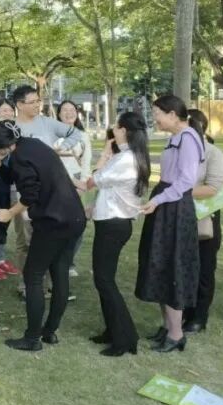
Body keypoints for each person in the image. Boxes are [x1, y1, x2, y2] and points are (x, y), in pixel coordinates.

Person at [0, 122, 86, 352]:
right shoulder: (33, 145)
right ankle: (49, 331)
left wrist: (10, 213)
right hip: (73, 217)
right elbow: (17, 176)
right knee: (60, 273)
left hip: (53, 221)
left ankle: (32, 338)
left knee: (33, 276)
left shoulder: (19, 157)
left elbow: (30, 194)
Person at [136, 95, 202, 353]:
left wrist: (158, 200)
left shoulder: (188, 139)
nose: (155, 119)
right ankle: (167, 327)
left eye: (158, 114)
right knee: (160, 264)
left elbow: (186, 181)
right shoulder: (176, 138)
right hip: (165, 205)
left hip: (174, 208)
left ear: (173, 114)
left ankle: (176, 334)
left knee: (173, 265)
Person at [86, 112, 149, 356]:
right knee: (103, 279)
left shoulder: (125, 159)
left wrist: (103, 154)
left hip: (114, 224)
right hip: (111, 222)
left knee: (104, 280)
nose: (112, 128)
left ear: (124, 131)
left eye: (116, 125)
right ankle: (113, 330)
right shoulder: (126, 156)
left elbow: (95, 179)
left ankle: (125, 338)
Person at [11, 86, 82, 297]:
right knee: (26, 240)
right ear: (19, 104)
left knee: (50, 238)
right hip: (22, 190)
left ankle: (52, 284)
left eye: (38, 101)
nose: (36, 105)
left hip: (50, 192)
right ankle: (27, 285)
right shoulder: (12, 127)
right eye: (32, 102)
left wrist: (59, 149)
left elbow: (75, 133)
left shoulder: (47, 123)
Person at [182, 109, 223, 334]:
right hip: (182, 215)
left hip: (205, 218)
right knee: (184, 267)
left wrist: (180, 190)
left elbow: (213, 188)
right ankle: (185, 310)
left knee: (204, 268)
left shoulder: (212, 153)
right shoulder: (178, 150)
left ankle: (199, 316)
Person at [56, 100, 91, 278]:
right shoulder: (53, 134)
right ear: (58, 114)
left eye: (72, 110)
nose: (69, 113)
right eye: (65, 110)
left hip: (77, 182)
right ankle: (56, 260)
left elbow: (86, 162)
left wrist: (82, 185)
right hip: (56, 183)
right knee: (57, 223)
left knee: (78, 225)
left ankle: (69, 261)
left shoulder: (83, 136)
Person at [0, 99, 20, 278]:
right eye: (3, 110)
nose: (7, 113)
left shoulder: (16, 132)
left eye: (10, 110)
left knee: (4, 222)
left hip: (9, 182)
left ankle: (0, 259)